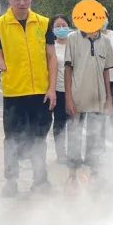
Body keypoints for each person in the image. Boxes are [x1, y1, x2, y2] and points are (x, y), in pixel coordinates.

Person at [0, 0, 57, 197]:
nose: (21, 3)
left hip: (40, 92)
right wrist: (0, 62)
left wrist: (52, 89)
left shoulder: (43, 23)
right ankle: (11, 181)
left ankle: (40, 180)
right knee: (12, 139)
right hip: (14, 93)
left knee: (39, 138)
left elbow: (51, 57)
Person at [63, 19, 113, 183]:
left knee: (96, 135)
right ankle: (72, 175)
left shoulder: (105, 40)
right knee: (74, 135)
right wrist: (68, 97)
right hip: (77, 95)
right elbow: (68, 69)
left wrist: (109, 98)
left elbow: (106, 71)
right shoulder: (72, 38)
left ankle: (94, 172)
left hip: (98, 96)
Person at [50, 15, 72, 163]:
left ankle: (73, 153)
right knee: (59, 123)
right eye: (57, 26)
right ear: (52, 29)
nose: (61, 28)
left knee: (74, 123)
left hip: (75, 91)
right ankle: (61, 154)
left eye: (63, 25)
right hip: (58, 90)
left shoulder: (75, 45)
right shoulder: (51, 47)